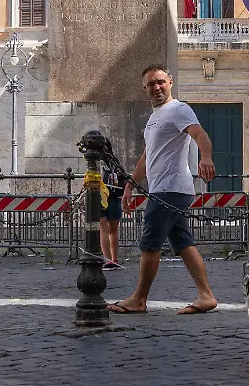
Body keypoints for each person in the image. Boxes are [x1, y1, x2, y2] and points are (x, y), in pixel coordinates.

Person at [108, 64, 218, 315]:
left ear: (170, 82)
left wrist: (206, 157)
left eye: (160, 82)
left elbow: (200, 134)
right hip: (166, 189)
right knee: (183, 243)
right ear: (144, 88)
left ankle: (139, 299)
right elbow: (147, 158)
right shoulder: (154, 118)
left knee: (150, 243)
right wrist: (129, 185)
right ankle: (206, 296)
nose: (156, 87)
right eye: (151, 84)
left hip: (170, 189)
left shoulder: (179, 109)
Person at [100, 170, 123, 270]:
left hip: (100, 196)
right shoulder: (115, 164)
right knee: (112, 230)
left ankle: (109, 260)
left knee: (105, 229)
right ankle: (113, 259)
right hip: (113, 196)